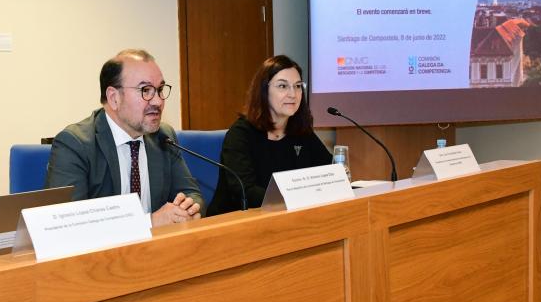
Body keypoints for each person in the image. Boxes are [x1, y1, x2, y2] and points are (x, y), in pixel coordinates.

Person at [46, 49, 203, 226]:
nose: (158, 101)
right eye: (145, 90)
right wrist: (149, 223)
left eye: (159, 89)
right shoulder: (75, 144)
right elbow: (68, 225)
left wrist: (187, 210)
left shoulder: (163, 137)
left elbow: (191, 194)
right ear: (114, 98)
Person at [208, 55, 331, 216]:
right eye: (282, 86)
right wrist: (295, 198)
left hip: (287, 217)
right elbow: (245, 192)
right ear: (264, 91)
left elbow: (330, 171)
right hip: (237, 221)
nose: (293, 94)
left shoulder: (301, 131)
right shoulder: (241, 134)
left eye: (298, 86)